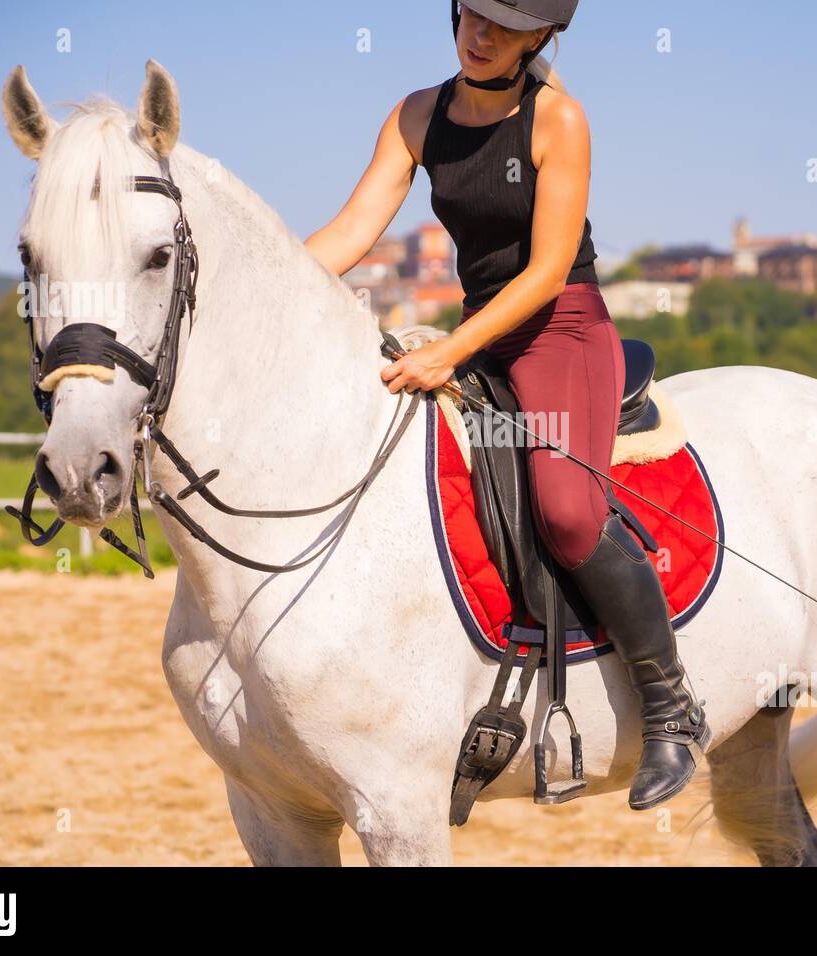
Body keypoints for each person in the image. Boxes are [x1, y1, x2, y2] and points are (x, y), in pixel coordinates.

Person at [304, 0, 710, 811]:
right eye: (470, 16)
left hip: (559, 327)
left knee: (565, 511)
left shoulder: (559, 120)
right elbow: (351, 231)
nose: (478, 35)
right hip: (482, 329)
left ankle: (672, 708)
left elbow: (546, 272)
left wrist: (446, 353)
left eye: (501, 26)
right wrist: (260, 283)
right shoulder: (417, 114)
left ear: (539, 38)